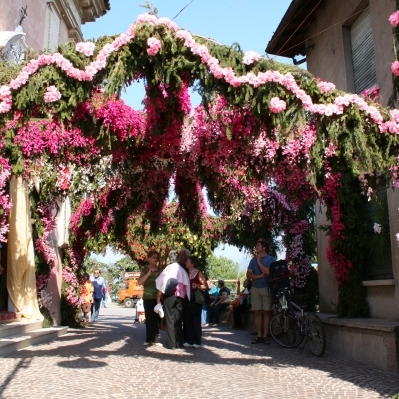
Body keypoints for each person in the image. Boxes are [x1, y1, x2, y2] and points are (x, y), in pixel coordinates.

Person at [156, 250, 190, 349]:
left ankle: (171, 344)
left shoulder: (168, 269)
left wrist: (159, 295)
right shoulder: (182, 270)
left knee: (170, 320)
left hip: (169, 296)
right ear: (178, 258)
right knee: (178, 320)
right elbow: (186, 285)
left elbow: (161, 282)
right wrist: (185, 296)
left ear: (170, 259)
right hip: (180, 297)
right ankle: (179, 343)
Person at [246, 239, 276, 344]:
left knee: (266, 312)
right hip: (255, 288)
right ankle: (259, 336)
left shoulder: (271, 259)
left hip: (266, 288)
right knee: (257, 311)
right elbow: (248, 275)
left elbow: (267, 272)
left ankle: (265, 335)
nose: (256, 247)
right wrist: (258, 276)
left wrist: (259, 262)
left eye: (258, 245)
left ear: (264, 248)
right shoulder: (252, 260)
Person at [137, 250, 161, 346]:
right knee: (149, 318)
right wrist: (148, 274)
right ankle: (148, 339)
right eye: (153, 257)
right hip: (147, 297)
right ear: (149, 259)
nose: (155, 259)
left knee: (156, 319)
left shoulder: (159, 270)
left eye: (156, 257)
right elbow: (139, 282)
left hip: (157, 297)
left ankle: (155, 339)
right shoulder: (145, 270)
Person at [183, 255, 208, 348]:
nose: (186, 263)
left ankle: (197, 341)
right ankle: (189, 340)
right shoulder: (186, 273)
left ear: (192, 264)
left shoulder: (198, 273)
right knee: (188, 320)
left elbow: (206, 286)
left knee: (196, 320)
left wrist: (198, 286)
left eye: (188, 261)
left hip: (196, 299)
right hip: (187, 299)